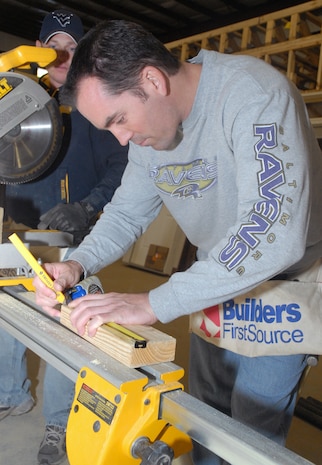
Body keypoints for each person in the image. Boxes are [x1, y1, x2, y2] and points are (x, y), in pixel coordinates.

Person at [33, 20, 322, 465]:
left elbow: (273, 233)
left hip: (284, 283)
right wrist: (79, 263)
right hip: (213, 278)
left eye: (119, 120)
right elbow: (127, 213)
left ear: (152, 80)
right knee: (204, 419)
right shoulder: (149, 137)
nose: (122, 139)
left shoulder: (254, 96)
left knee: (250, 435)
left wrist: (153, 302)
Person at [0, 11, 128, 465]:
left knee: (64, 328)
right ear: (36, 49)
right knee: (7, 317)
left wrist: (87, 208)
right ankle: (11, 394)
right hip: (17, 233)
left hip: (72, 237)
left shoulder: (93, 103)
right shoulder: (17, 98)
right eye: (51, 48)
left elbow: (121, 169)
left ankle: (57, 421)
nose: (60, 58)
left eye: (70, 48)